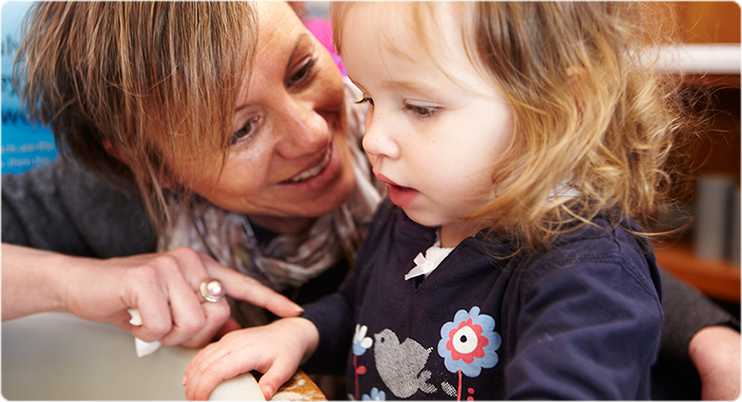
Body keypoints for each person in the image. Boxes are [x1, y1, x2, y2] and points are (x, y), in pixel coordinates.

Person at [2, 1, 738, 399]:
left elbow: (574, 254)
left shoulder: (408, 127)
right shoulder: (412, 161)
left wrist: (709, 337)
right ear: (148, 164)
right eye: (240, 129)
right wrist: (82, 281)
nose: (324, 133)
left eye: (301, 70)